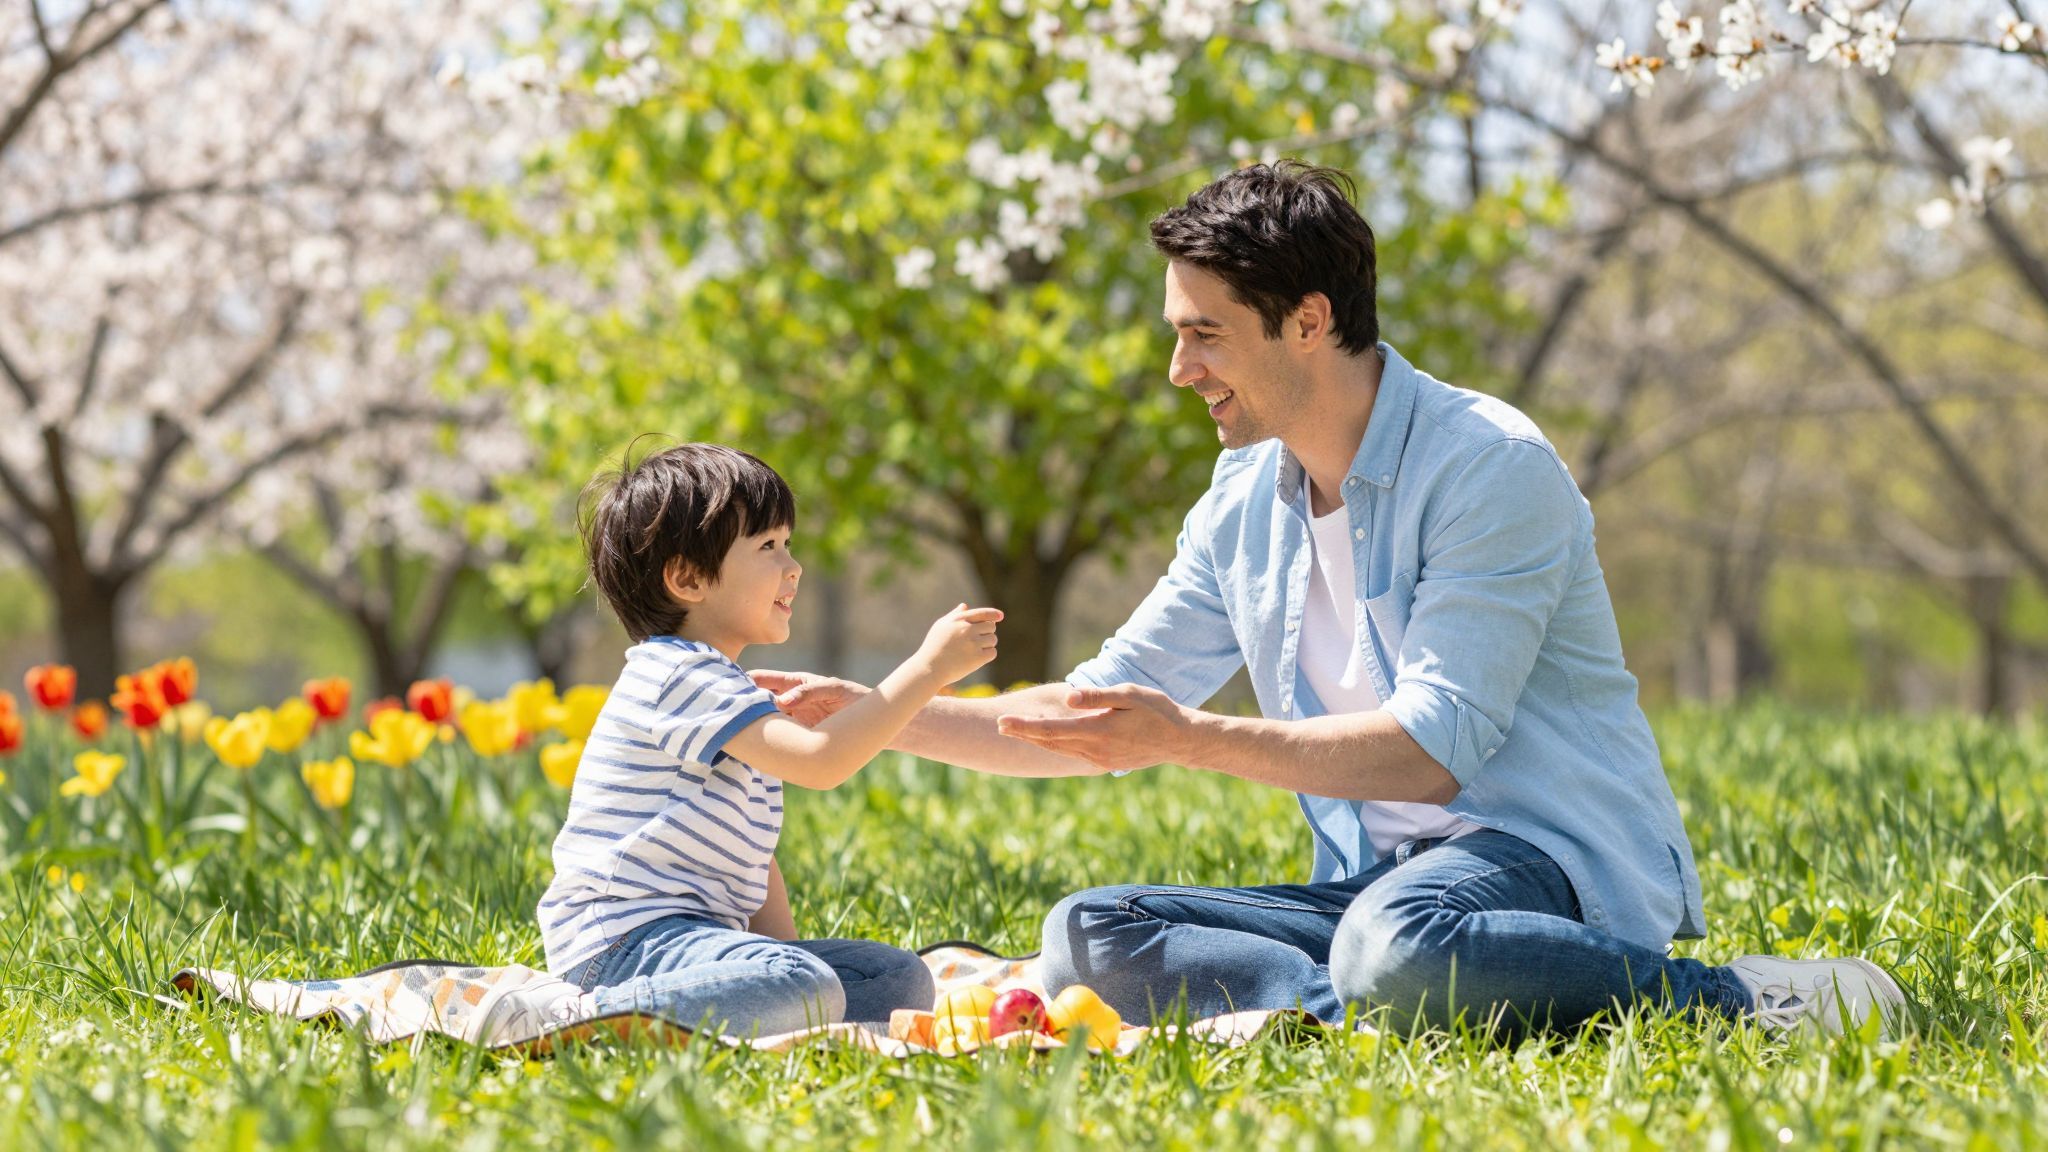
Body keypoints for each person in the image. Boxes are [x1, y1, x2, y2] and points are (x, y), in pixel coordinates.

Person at [759, 162, 1907, 1040]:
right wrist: (878, 714)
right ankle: (1338, 1007)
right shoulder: (1241, 501)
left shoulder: (1487, 466)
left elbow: (1430, 756)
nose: (1178, 370)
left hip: (1533, 862)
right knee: (1088, 933)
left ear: (1307, 320)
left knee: (1400, 942)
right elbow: (1099, 712)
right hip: (1374, 890)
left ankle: (1732, 997)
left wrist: (1194, 741)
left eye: (1202, 334)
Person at [531, 441, 1001, 1035]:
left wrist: (790, 964)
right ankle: (578, 1016)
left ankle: (761, 1001)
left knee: (896, 979)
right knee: (803, 984)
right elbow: (822, 760)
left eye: (788, 543)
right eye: (768, 547)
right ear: (689, 578)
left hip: (693, 946)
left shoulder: (724, 685)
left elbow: (756, 860)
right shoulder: (675, 673)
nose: (793, 566)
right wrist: (926, 670)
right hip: (623, 948)